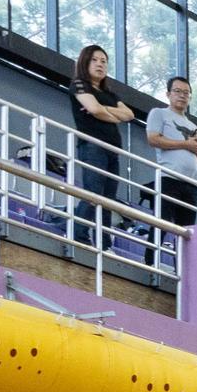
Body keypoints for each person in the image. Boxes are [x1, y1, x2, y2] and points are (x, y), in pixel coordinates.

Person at [68, 44, 134, 250]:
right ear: (85, 62)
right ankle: (78, 234)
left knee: (108, 200)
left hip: (112, 149)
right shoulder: (79, 84)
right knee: (93, 193)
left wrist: (102, 110)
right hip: (93, 145)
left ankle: (104, 244)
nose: (100, 64)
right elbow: (93, 108)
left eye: (104, 61)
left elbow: (129, 115)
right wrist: (111, 114)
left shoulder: (109, 93)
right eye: (95, 60)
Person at [142, 76, 197, 231]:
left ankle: (180, 257)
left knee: (186, 231)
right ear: (168, 94)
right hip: (169, 177)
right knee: (162, 223)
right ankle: (150, 256)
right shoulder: (159, 113)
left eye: (186, 92)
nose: (182, 95)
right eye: (177, 91)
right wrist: (186, 144)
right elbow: (153, 139)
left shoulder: (193, 125)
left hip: (191, 182)